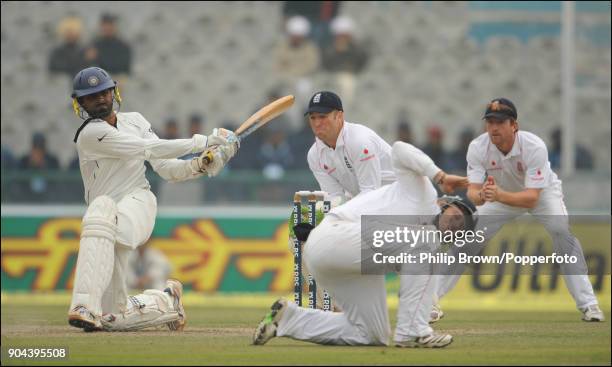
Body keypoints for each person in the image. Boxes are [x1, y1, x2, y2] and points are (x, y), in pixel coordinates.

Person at [67, 66, 238, 332]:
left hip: (137, 204)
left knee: (100, 209)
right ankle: (167, 302)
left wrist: (201, 164)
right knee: (112, 317)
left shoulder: (135, 120)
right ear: (81, 103)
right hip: (104, 229)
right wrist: (203, 141)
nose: (100, 99)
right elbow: (145, 148)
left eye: (104, 92)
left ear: (114, 92)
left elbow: (167, 168)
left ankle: (83, 306)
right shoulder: (89, 135)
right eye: (91, 96)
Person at [253, 141, 470, 347]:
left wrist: (429, 305)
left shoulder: (420, 243)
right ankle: (413, 332)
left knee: (371, 333)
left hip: (352, 261)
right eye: (458, 217)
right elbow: (399, 149)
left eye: (461, 229)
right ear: (444, 202)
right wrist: (439, 175)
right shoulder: (423, 192)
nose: (455, 226)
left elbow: (416, 273)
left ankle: (287, 319)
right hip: (334, 236)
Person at [432, 98, 604, 323]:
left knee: (561, 231)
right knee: (466, 241)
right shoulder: (477, 147)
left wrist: (499, 195)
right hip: (498, 195)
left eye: (500, 122)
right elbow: (473, 192)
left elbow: (532, 198)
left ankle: (589, 305)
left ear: (514, 125)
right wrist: (482, 196)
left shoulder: (534, 147)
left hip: (541, 194)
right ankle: (430, 301)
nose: (493, 127)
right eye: (490, 121)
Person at [305, 91, 396, 205]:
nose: (317, 123)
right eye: (313, 118)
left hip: (402, 201)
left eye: (322, 117)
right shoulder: (314, 156)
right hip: (374, 205)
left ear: (339, 116)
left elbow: (371, 193)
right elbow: (335, 198)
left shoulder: (359, 141)